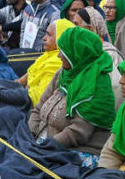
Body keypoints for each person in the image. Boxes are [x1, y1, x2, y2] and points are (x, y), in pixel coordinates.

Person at [29, 26, 116, 162]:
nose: (58, 56)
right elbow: (39, 107)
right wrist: (30, 134)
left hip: (76, 153)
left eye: (63, 52)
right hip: (46, 144)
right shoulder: (64, 73)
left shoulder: (95, 85)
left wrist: (44, 146)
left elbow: (79, 132)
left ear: (77, 54)